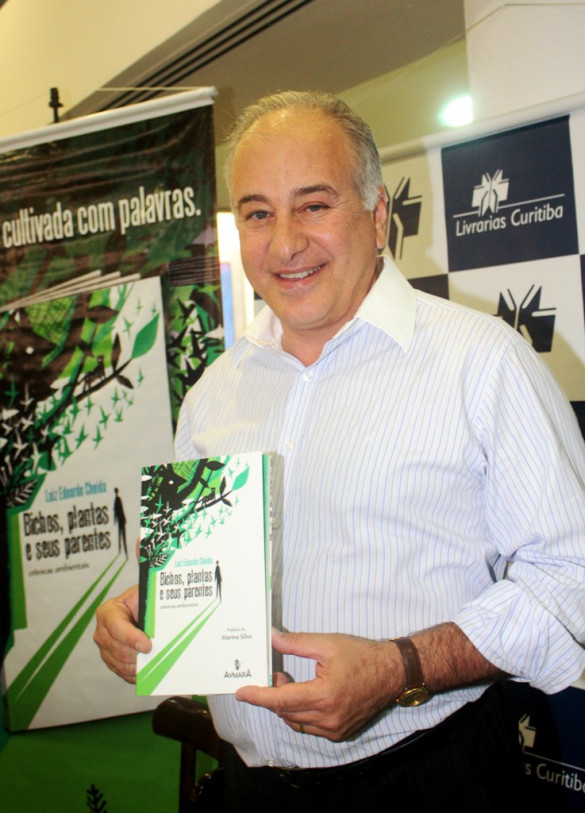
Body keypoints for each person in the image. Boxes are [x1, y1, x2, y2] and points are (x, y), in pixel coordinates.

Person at [94, 91, 585, 811]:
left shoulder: (481, 364)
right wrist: (145, 613)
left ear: (378, 215)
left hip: (431, 782)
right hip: (249, 787)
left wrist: (400, 667)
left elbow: (569, 580)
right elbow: (202, 576)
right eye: (258, 213)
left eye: (314, 205)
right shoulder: (213, 394)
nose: (284, 243)